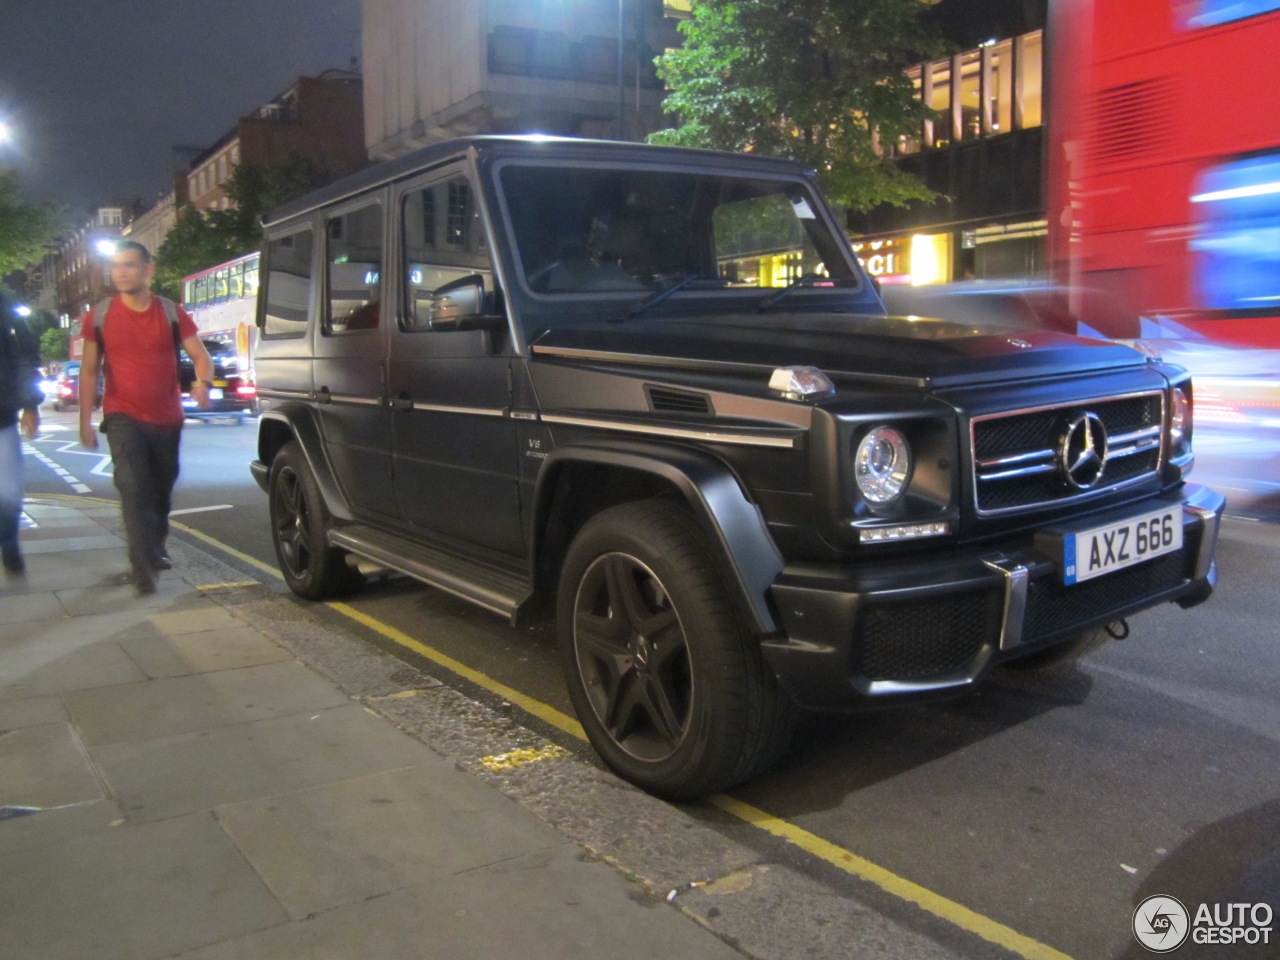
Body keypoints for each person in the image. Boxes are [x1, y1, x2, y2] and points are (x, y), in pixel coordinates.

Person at [78, 240, 214, 595]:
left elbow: (200, 356)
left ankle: (155, 546)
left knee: (160, 491)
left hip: (167, 418)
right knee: (133, 486)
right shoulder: (101, 315)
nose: (120, 272)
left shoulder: (171, 312)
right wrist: (84, 420)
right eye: (115, 266)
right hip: (123, 415)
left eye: (129, 265)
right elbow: (89, 370)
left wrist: (203, 383)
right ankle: (142, 566)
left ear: (147, 270)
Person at [0, 291, 44, 575]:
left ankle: (8, 543)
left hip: (1, 417)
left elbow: (25, 355)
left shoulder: (3, 304)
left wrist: (30, 404)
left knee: (8, 492)